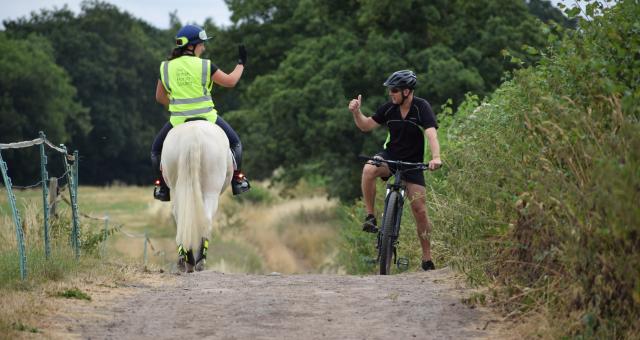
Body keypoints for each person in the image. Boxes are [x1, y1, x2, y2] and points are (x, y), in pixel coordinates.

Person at [348, 70, 442, 271]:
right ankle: (371, 216)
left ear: (407, 91)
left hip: (413, 163)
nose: (391, 94)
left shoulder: (421, 107)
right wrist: (356, 112)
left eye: (394, 90)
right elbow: (366, 126)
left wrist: (436, 158)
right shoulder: (389, 108)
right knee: (368, 169)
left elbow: (431, 134)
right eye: (390, 90)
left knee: (420, 210)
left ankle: (427, 258)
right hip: (390, 157)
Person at [151, 24, 250, 201]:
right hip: (208, 117)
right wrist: (241, 64)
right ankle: (238, 180)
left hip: (178, 120)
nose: (203, 47)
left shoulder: (165, 67)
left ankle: (162, 187)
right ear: (191, 46)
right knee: (235, 144)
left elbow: (159, 97)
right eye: (201, 44)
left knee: (156, 150)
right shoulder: (205, 65)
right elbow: (230, 81)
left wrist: (176, 106)